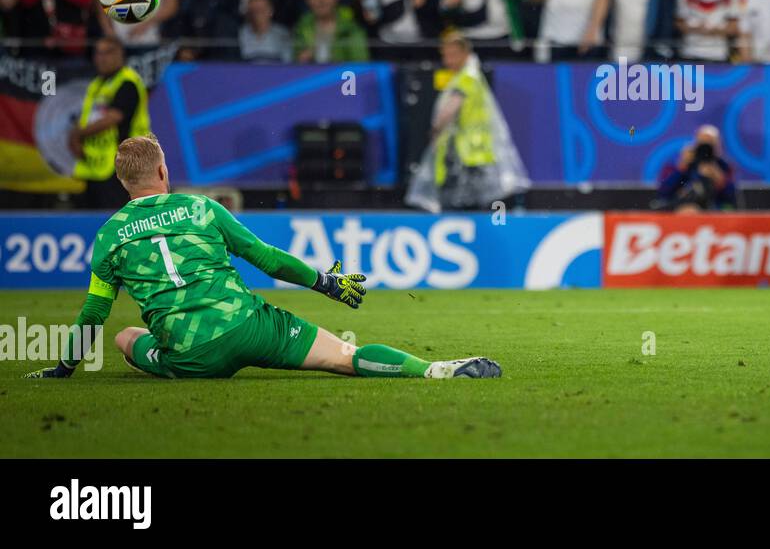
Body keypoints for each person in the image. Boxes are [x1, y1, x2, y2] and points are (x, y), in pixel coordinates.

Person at [27, 134, 500, 380]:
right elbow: (268, 259)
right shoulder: (200, 207)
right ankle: (434, 370)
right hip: (249, 328)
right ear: (163, 170)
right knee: (344, 357)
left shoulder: (109, 236)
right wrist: (326, 283)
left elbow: (93, 312)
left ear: (124, 183)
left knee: (127, 337)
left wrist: (63, 368)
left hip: (188, 356)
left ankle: (166, 354)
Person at [406, 33, 530, 213]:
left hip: (467, 151)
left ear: (465, 53)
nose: (448, 61)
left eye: (452, 55)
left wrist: (436, 129)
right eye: (445, 55)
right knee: (476, 200)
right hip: (473, 150)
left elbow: (450, 108)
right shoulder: (470, 75)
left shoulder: (468, 76)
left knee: (463, 201)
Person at [70, 36, 150, 210]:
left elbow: (113, 117)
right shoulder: (97, 84)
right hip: (96, 162)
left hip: (121, 163)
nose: (101, 58)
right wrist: (76, 136)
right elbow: (87, 116)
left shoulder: (127, 82)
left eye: (107, 53)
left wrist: (78, 134)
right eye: (98, 53)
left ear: (120, 54)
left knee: (113, 216)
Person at [655, 125, 737, 212]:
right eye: (702, 144)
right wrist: (681, 168)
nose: (705, 149)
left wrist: (720, 179)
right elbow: (663, 192)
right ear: (695, 144)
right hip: (680, 209)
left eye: (709, 144)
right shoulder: (679, 163)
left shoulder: (724, 166)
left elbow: (732, 199)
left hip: (712, 211)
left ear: (717, 146)